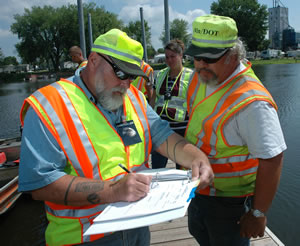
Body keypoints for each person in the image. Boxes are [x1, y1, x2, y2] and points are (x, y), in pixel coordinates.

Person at [18, 28, 214, 246]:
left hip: (137, 228)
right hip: (83, 237)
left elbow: (162, 135)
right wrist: (111, 191)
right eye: (120, 73)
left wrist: (197, 158)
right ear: (93, 60)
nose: (125, 84)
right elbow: (38, 184)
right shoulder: (49, 105)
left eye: (131, 76)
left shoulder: (135, 98)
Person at [184, 15, 287, 246]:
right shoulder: (199, 77)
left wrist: (258, 213)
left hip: (229, 204)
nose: (199, 63)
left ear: (234, 55)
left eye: (208, 58)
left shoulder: (252, 102)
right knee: (201, 236)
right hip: (197, 191)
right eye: (195, 56)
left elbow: (273, 158)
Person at [150, 39, 193, 169]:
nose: (169, 60)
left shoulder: (191, 76)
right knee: (157, 168)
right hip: (161, 129)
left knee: (183, 170)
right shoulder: (161, 74)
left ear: (181, 56)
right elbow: (153, 98)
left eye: (173, 57)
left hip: (181, 130)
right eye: (167, 57)